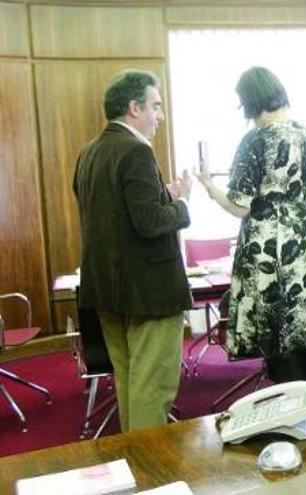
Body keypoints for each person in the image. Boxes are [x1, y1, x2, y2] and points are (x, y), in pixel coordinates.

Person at [73, 69, 193, 432]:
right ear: (133, 107)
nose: (159, 115)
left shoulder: (89, 153)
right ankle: (150, 477)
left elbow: (116, 215)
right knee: (151, 390)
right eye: (155, 106)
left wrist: (164, 197)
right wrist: (182, 204)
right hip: (149, 292)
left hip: (108, 290)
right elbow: (150, 223)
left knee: (129, 384)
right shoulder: (137, 149)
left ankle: (134, 465)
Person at [196, 66, 306, 386]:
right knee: (305, 329)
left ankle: (289, 415)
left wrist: (210, 188)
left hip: (267, 248)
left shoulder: (254, 141)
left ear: (249, 102)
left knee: (276, 336)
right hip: (304, 241)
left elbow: (240, 206)